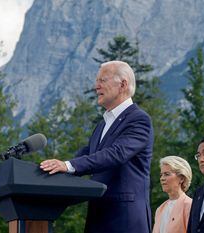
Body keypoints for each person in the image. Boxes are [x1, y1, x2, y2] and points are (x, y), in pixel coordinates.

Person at [40, 61, 154, 233]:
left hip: (125, 219)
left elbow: (117, 153)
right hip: (99, 216)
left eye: (103, 80)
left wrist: (68, 166)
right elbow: (88, 154)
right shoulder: (102, 125)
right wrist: (54, 169)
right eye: (96, 81)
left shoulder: (139, 119)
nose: (96, 86)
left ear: (122, 84)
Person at [152, 156, 192, 233]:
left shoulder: (189, 205)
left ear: (181, 178)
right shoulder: (160, 209)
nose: (162, 178)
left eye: (167, 174)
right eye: (161, 175)